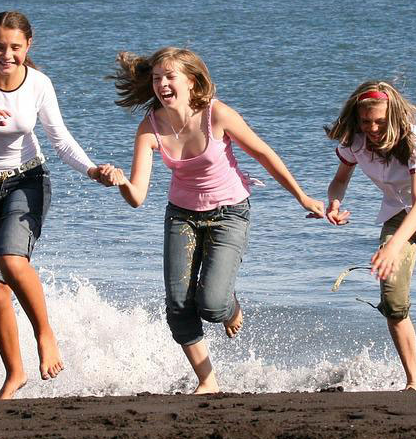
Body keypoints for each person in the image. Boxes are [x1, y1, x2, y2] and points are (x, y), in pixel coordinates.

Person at [99, 47, 324, 394]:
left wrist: (303, 197)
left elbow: (264, 154)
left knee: (212, 304)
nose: (162, 85)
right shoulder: (150, 128)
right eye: (157, 79)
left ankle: (230, 305)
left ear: (191, 81)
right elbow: (138, 197)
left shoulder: (216, 115)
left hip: (229, 212)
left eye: (170, 77)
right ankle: (207, 380)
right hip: (181, 216)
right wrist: (121, 183)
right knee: (177, 304)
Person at [0, 11, 112, 399]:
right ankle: (14, 375)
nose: (6, 54)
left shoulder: (38, 84)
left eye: (15, 47)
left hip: (26, 180)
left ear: (27, 47)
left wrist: (91, 170)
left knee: (12, 260)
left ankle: (45, 333)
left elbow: (60, 138)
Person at [318, 81, 416, 390]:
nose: (372, 128)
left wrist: (391, 247)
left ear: (393, 116)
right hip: (396, 214)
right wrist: (334, 202)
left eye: (380, 122)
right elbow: (339, 180)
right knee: (393, 301)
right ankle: (414, 381)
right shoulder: (354, 142)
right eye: (365, 121)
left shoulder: (414, 142)